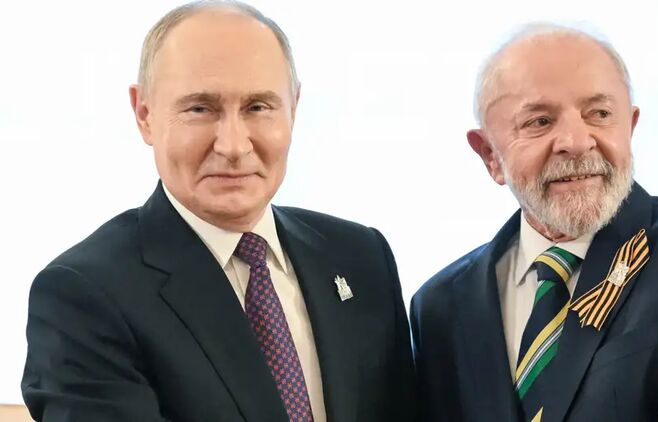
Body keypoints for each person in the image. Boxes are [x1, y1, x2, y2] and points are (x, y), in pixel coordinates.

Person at [21, 2, 415, 421]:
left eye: (258, 107)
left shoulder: (360, 257)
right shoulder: (83, 296)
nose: (233, 146)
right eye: (200, 109)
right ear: (144, 114)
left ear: (294, 108)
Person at [410, 24, 658, 422]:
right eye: (540, 121)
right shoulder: (439, 306)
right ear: (489, 154)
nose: (576, 141)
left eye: (600, 114)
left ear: (630, 128)